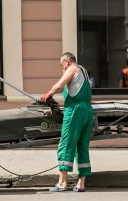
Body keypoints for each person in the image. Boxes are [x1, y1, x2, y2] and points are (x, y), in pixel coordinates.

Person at [40, 52, 93, 192]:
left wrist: (48, 94)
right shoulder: (84, 70)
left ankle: (62, 183)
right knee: (82, 146)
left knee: (66, 143)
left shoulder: (72, 69)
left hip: (75, 109)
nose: (62, 68)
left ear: (67, 61)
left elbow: (59, 85)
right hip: (87, 110)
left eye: (61, 65)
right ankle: (81, 183)